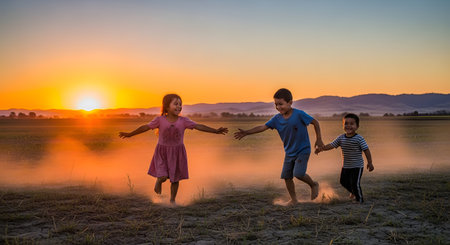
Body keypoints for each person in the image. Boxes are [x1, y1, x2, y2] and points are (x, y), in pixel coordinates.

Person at [119, 94, 228, 204]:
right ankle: (159, 181)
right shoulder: (159, 120)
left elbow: (198, 126)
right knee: (163, 176)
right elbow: (145, 127)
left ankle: (172, 201)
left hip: (177, 153)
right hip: (162, 152)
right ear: (166, 106)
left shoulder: (184, 121)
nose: (179, 106)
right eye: (175, 104)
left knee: (175, 179)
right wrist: (130, 134)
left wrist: (215, 131)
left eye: (180, 104)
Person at [234, 88, 324, 205]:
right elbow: (263, 127)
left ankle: (313, 184)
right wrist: (247, 132)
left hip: (303, 150)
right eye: (276, 105)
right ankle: (294, 200)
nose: (278, 107)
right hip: (289, 152)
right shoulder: (276, 119)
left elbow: (315, 122)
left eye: (281, 104)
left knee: (298, 174)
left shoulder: (299, 114)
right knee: (287, 177)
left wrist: (319, 139)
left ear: (290, 102)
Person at [315, 113, 374, 204]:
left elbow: (366, 150)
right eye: (346, 123)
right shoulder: (341, 138)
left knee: (355, 184)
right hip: (346, 166)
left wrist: (370, 163)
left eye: (351, 124)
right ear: (343, 125)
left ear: (357, 126)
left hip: (357, 166)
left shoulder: (359, 138)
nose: (348, 126)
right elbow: (331, 145)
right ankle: (353, 192)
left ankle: (359, 199)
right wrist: (321, 149)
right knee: (343, 182)